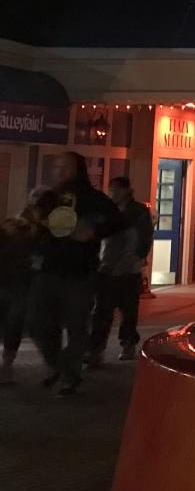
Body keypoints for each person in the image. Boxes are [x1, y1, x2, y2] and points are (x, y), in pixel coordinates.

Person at [28, 152, 126, 395]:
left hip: (79, 273)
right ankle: (57, 364)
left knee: (76, 325)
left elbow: (118, 221)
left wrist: (94, 231)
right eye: (56, 167)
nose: (58, 172)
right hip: (48, 270)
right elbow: (29, 222)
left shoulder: (92, 198)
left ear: (77, 169)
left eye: (65, 167)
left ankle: (70, 376)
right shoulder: (49, 198)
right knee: (37, 322)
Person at [87, 176, 154, 365]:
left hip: (128, 269)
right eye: (111, 190)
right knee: (102, 311)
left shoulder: (138, 211)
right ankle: (96, 349)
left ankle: (127, 343)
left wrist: (139, 257)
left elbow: (145, 236)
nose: (112, 194)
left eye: (115, 190)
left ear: (126, 190)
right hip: (107, 267)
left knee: (128, 310)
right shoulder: (108, 210)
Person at [0, 191, 45, 383]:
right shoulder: (36, 231)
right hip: (17, 282)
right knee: (13, 323)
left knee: (12, 323)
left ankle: (7, 366)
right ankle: (6, 366)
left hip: (14, 281)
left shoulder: (13, 226)